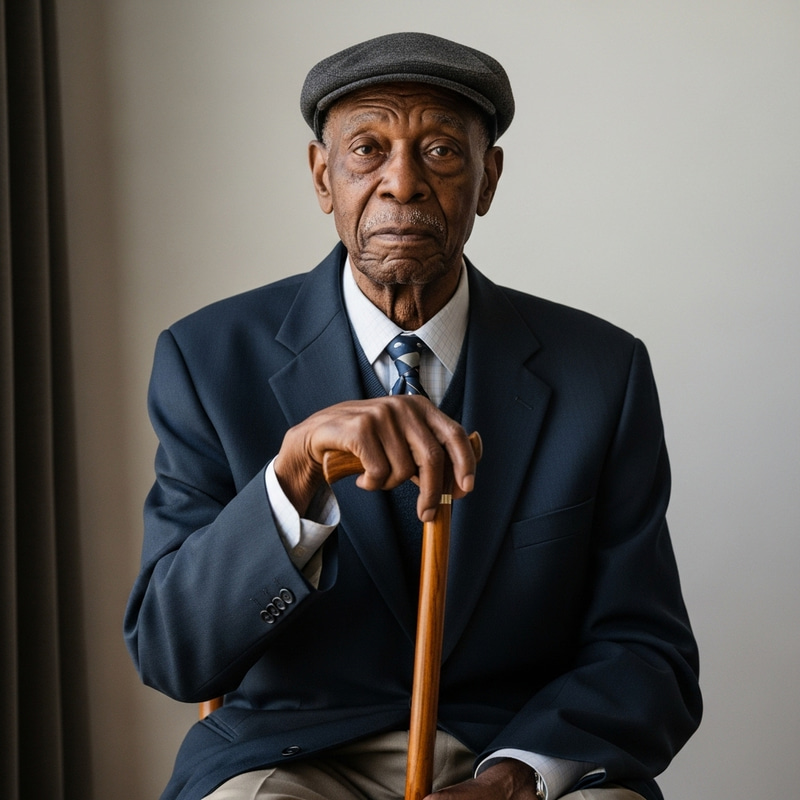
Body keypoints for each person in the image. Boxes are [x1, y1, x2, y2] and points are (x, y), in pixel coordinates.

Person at [124, 32, 701, 800]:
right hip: (294, 757)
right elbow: (173, 654)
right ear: (321, 175)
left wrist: (517, 779)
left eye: (439, 152)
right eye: (367, 149)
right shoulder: (207, 359)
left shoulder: (602, 370)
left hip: (514, 749)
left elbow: (646, 650)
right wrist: (293, 477)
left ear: (488, 179)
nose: (402, 184)